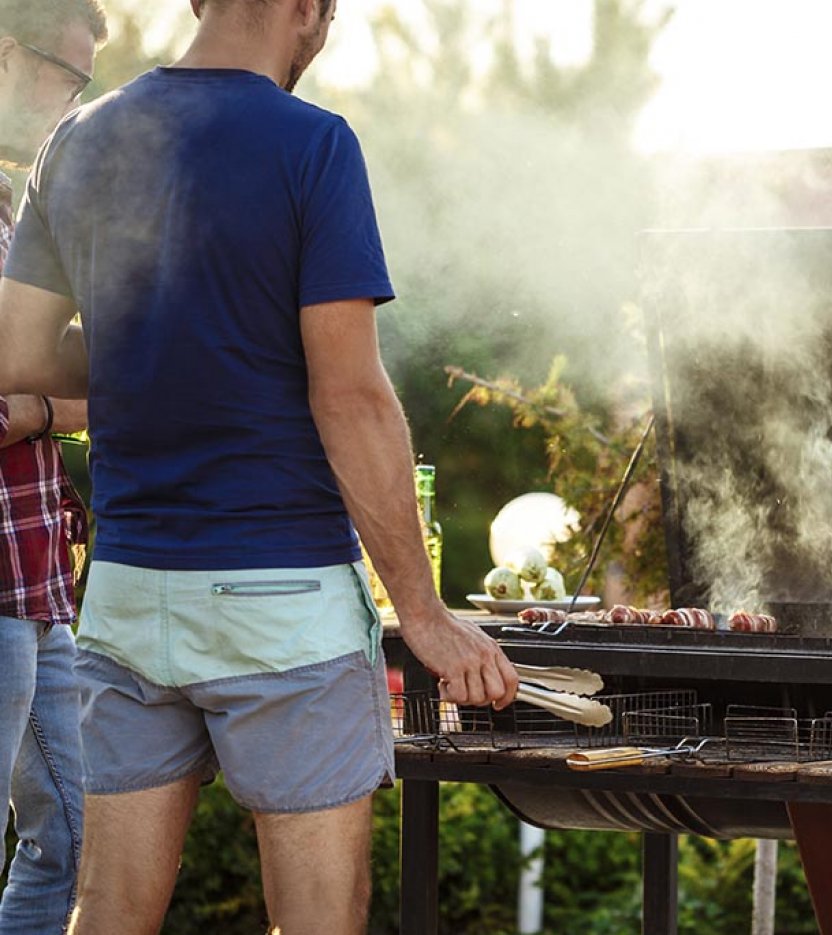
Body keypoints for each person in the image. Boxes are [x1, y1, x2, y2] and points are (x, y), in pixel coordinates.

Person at [0, 0, 518, 932]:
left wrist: (147, 350)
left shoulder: (79, 139)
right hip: (283, 599)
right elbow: (350, 396)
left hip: (126, 592)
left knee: (106, 910)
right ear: (307, 10)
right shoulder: (312, 145)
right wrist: (425, 614)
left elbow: (18, 351)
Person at [0, 0, 105, 930]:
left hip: (38, 584)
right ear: (4, 53)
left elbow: (104, 381)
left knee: (74, 842)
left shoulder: (16, 210)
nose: (71, 104)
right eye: (64, 76)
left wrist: (35, 405)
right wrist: (44, 399)